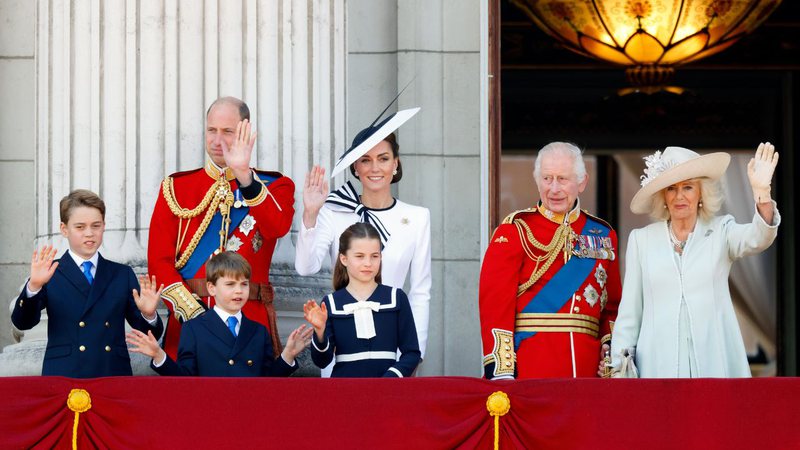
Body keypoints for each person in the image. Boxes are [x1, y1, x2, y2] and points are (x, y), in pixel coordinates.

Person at [609, 143, 780, 378]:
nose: (680, 196)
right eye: (671, 188)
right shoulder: (642, 240)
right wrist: (619, 367)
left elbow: (758, 238)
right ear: (663, 196)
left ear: (701, 193)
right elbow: (630, 313)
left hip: (715, 365)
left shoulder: (721, 231)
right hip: (658, 369)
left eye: (688, 187)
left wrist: (762, 195)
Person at [148, 96, 294, 361]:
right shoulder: (176, 188)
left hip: (249, 321)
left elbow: (277, 227)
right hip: (190, 322)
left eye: (227, 132)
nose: (217, 140)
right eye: (211, 130)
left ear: (245, 132)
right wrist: (194, 315)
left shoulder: (275, 187)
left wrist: (245, 178)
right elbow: (159, 262)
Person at [295, 106, 430, 376]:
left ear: (396, 163)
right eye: (365, 160)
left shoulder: (417, 217)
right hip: (341, 346)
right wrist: (310, 213)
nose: (375, 168)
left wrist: (414, 356)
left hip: (394, 350)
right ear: (355, 167)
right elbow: (305, 268)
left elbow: (420, 292)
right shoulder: (333, 211)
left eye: (383, 158)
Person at [479, 142, 621, 379]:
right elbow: (494, 305)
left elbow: (613, 308)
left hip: (588, 371)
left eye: (562, 179)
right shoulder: (516, 230)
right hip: (531, 366)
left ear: (582, 182)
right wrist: (502, 371)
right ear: (537, 180)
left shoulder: (603, 235)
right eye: (547, 178)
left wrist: (610, 355)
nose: (554, 188)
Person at [11, 190, 164, 378]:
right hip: (65, 374)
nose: (89, 234)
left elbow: (149, 336)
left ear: (103, 226)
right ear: (64, 229)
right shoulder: (50, 272)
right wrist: (33, 287)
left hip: (112, 373)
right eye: (80, 227)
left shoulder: (121, 274)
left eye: (96, 226)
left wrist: (149, 315)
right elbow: (23, 322)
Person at [127, 252, 312, 376]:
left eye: (244, 284)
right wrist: (159, 356)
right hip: (209, 417)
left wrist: (287, 355)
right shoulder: (194, 328)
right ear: (211, 288)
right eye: (230, 285)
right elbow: (184, 380)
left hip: (249, 418)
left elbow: (267, 381)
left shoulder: (258, 331)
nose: (239, 291)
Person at [303, 223, 421, 377]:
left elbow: (412, 353)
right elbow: (321, 361)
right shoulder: (331, 303)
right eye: (360, 256)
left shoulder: (396, 298)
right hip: (344, 392)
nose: (368, 263)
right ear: (344, 259)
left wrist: (390, 379)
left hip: (388, 393)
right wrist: (320, 332)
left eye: (375, 256)